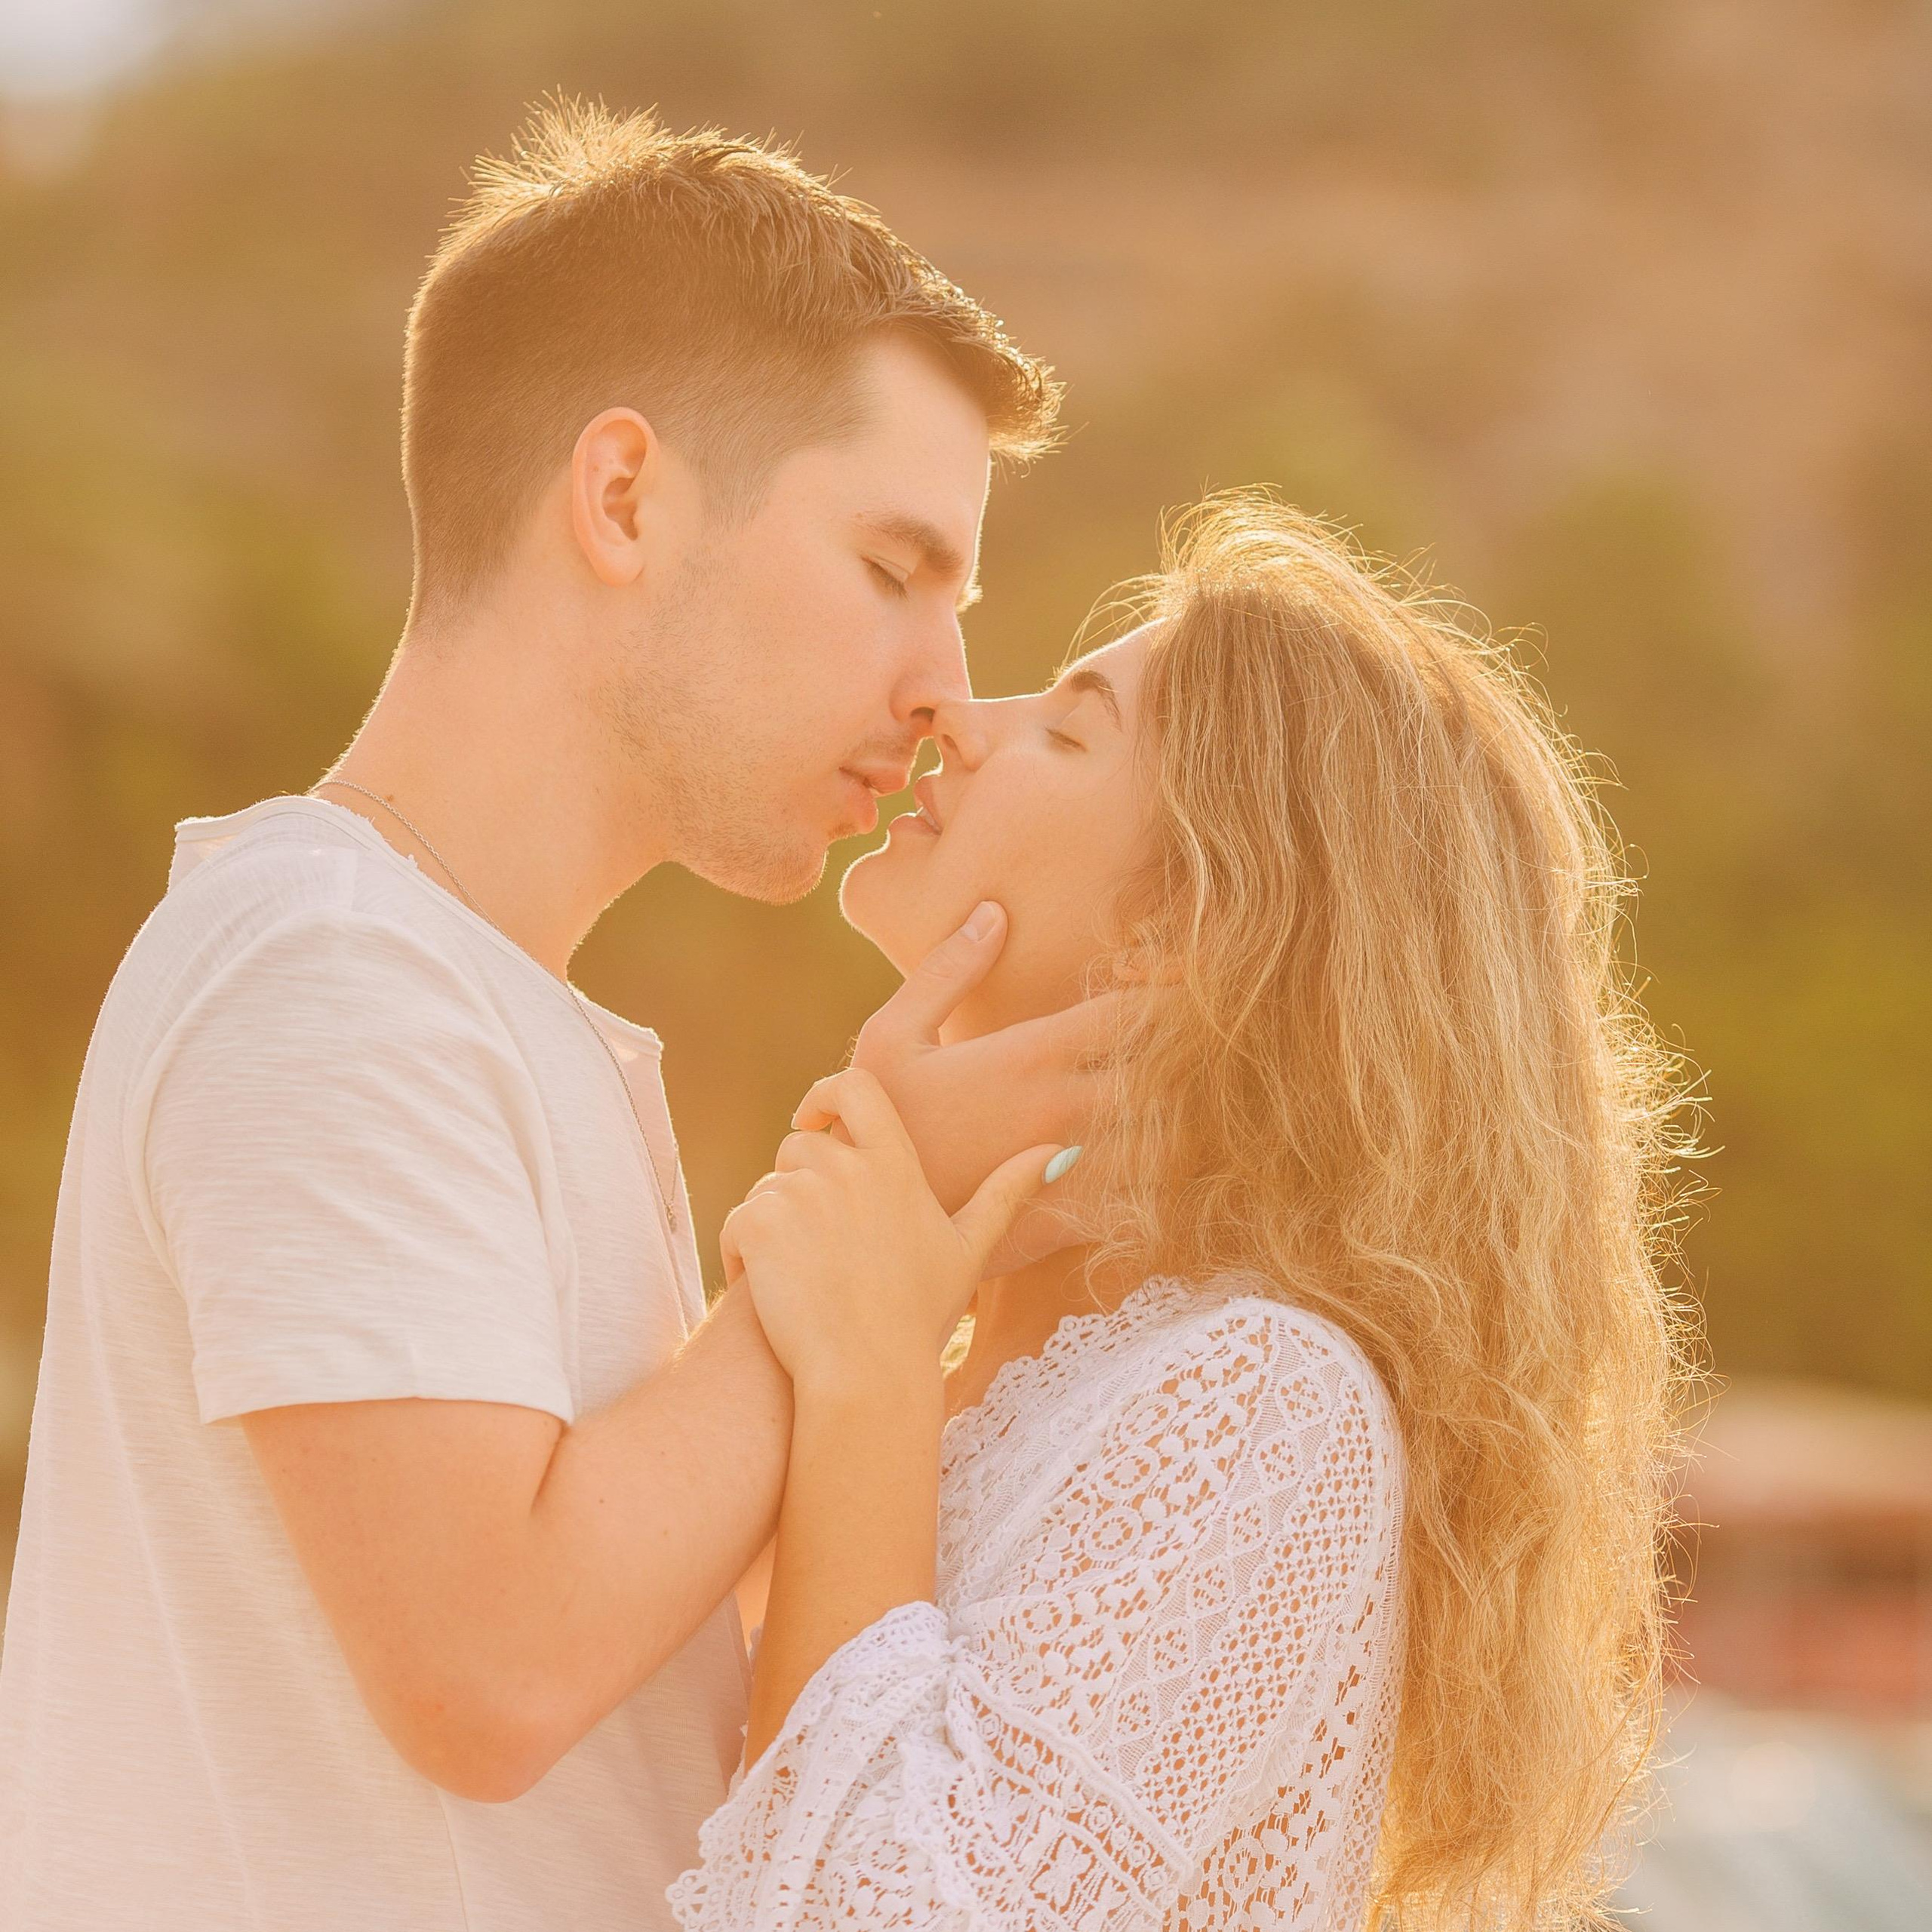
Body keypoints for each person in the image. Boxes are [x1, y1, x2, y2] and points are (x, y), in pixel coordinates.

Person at [0, 102, 1100, 1929]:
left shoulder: (488, 1011)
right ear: (621, 498)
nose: (942, 687)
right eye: (891, 571)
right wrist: (880, 1196)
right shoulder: (325, 972)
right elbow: (493, 1669)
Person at [670, 494, 1694, 1931]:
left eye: (1068, 731)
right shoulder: (962, 1362)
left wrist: (870, 1361)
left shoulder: (1264, 1401)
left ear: (1188, 925)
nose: (957, 716)